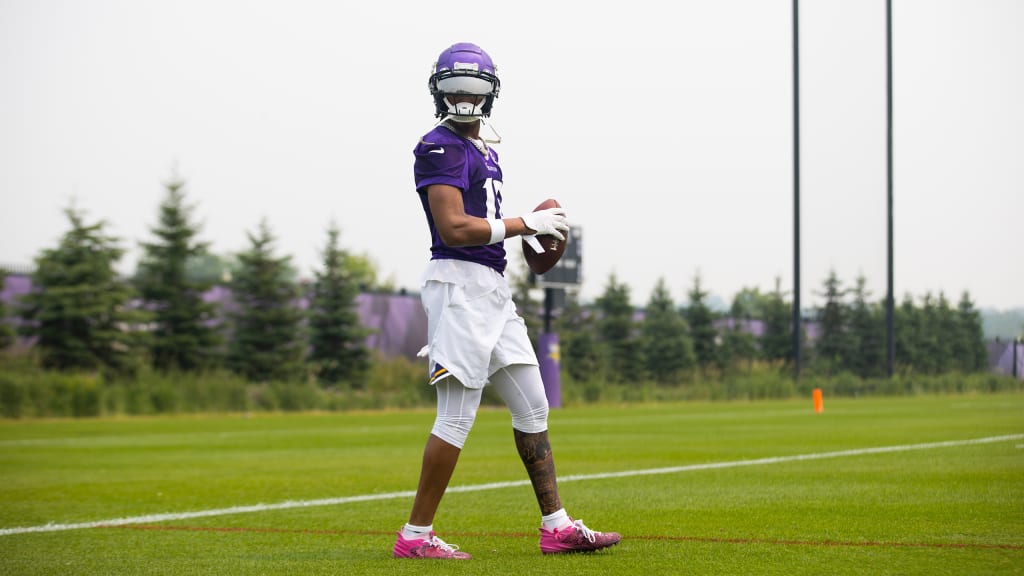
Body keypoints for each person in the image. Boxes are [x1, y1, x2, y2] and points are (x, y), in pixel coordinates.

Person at [392, 42, 621, 560]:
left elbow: (488, 225)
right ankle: (415, 536)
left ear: (490, 95)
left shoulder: (485, 150)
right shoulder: (438, 146)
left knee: (533, 404)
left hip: (493, 289)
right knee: (455, 416)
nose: (466, 100)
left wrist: (526, 233)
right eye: (456, 90)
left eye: (475, 91)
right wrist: (524, 224)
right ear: (437, 92)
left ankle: (556, 526)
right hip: (458, 288)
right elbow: (453, 225)